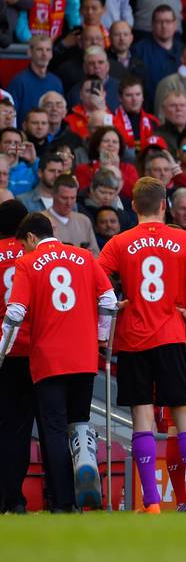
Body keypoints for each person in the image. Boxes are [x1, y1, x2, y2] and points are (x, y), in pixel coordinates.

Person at [97, 177, 186, 513]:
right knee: (184, 415)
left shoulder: (118, 242)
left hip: (133, 339)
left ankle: (152, 503)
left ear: (132, 207)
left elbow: (95, 284)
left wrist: (117, 304)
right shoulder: (184, 239)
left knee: (143, 417)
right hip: (172, 336)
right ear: (164, 205)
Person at [2, 212, 116, 512]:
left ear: (30, 238)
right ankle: (87, 489)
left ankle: (64, 501)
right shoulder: (84, 256)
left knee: (52, 429)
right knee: (78, 426)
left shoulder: (27, 263)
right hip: (84, 355)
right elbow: (108, 300)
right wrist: (102, 337)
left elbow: (14, 313)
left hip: (48, 358)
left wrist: (2, 350)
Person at [0, 200, 30, 514]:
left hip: (3, 349)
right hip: (33, 349)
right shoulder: (33, 254)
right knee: (33, 427)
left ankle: (6, 498)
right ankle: (20, 499)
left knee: (6, 427)